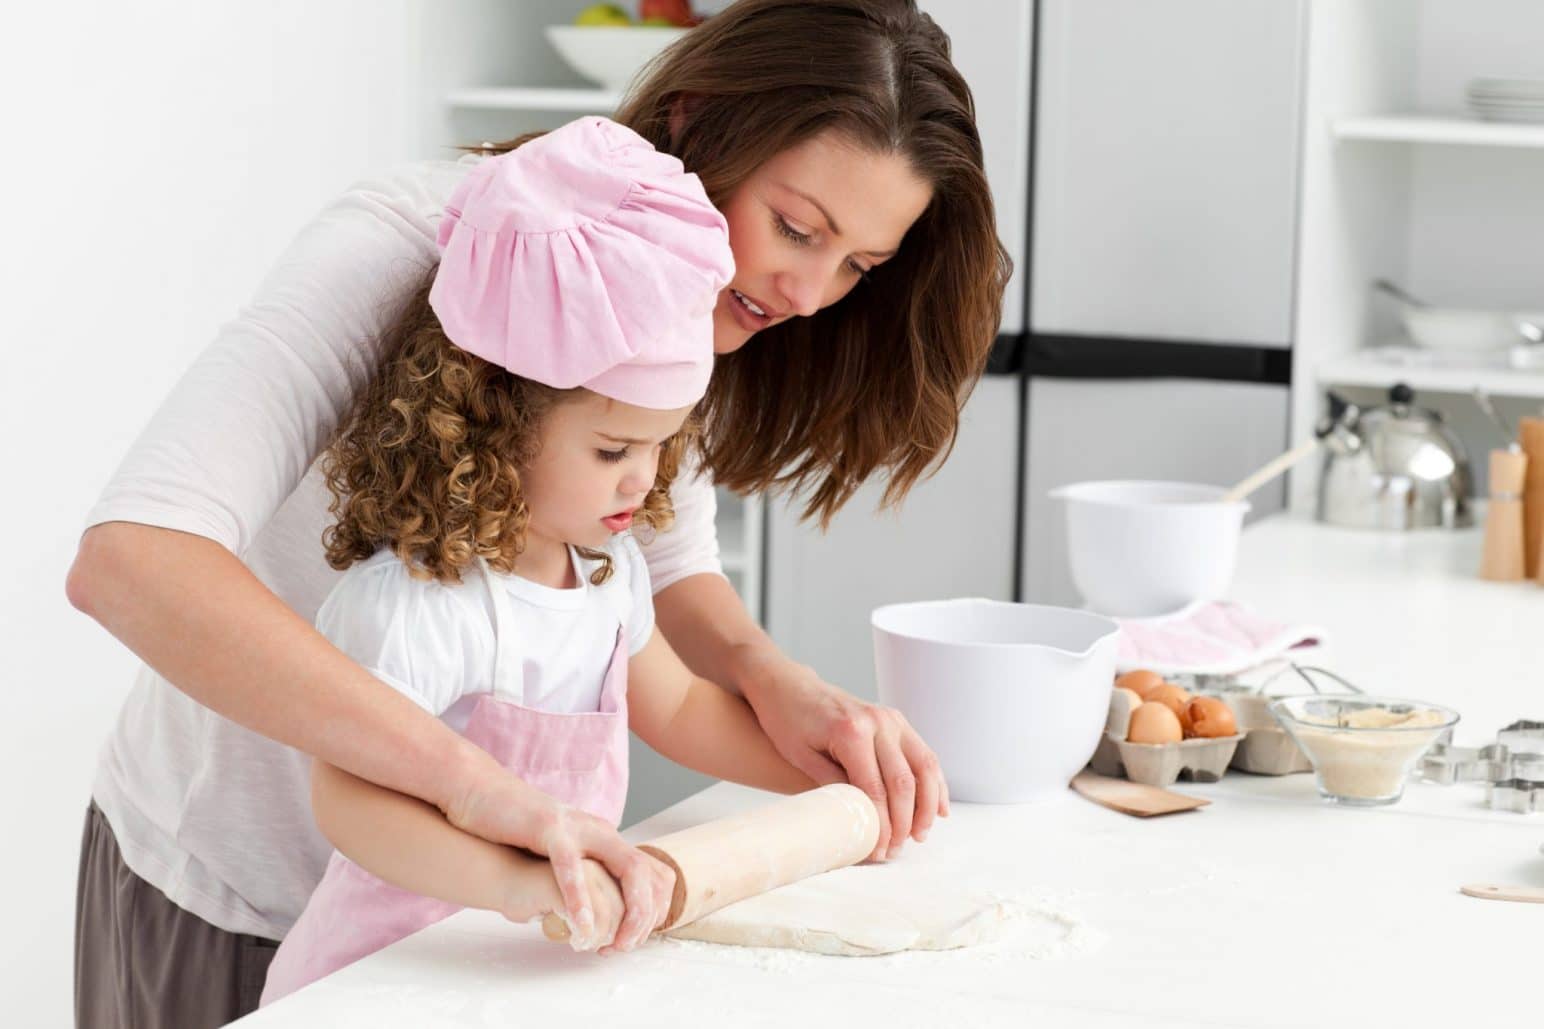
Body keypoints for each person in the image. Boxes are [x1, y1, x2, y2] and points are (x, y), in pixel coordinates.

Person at [68, 1, 1008, 1024]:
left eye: (858, 266)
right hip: (230, 899)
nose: (809, 293)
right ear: (695, 123)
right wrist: (478, 796)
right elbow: (133, 560)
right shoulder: (403, 244)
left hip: (464, 941)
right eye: (796, 229)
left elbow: (663, 568)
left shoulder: (688, 302)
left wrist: (782, 689)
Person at [257, 115, 818, 1005]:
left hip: (522, 968)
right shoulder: (421, 604)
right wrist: (519, 883)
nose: (640, 478)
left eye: (660, 448)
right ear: (495, 425)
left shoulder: (607, 574)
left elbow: (673, 705)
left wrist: (829, 777)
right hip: (386, 979)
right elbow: (349, 801)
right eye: (611, 451)